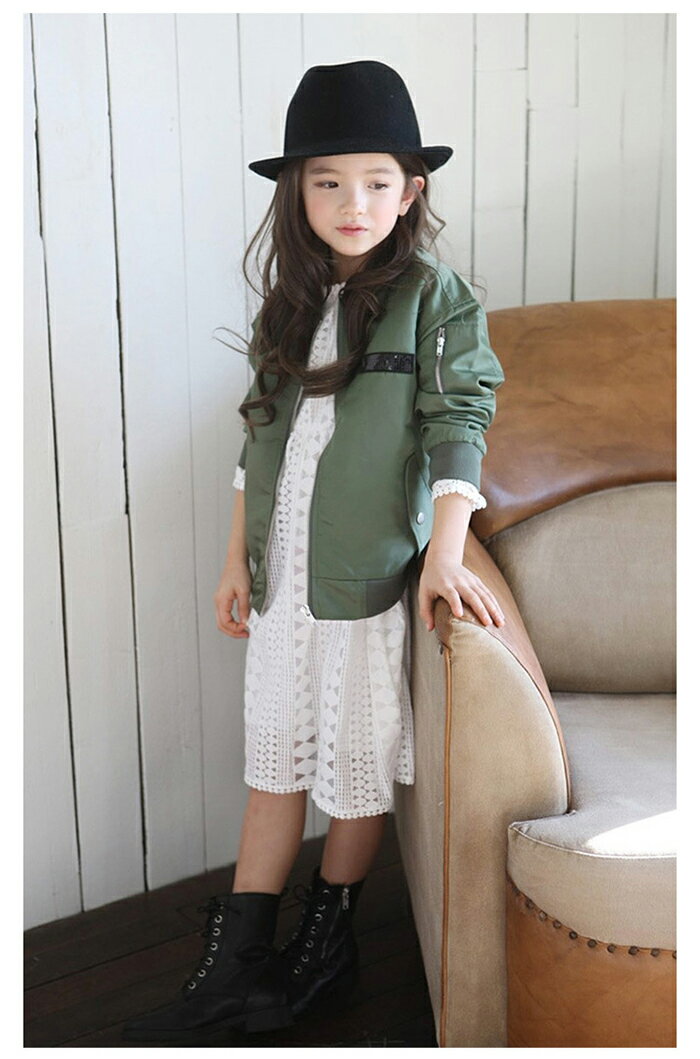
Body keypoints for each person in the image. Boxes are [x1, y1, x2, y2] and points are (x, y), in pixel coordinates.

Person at [122, 59, 506, 1044]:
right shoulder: (288, 306)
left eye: (375, 181)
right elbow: (258, 438)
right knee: (276, 762)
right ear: (298, 192)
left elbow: (458, 422)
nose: (352, 203)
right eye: (327, 181)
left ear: (410, 190)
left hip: (361, 587)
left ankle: (327, 945)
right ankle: (241, 967)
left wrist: (446, 553)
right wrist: (235, 560)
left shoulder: (435, 298)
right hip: (282, 579)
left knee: (352, 766)